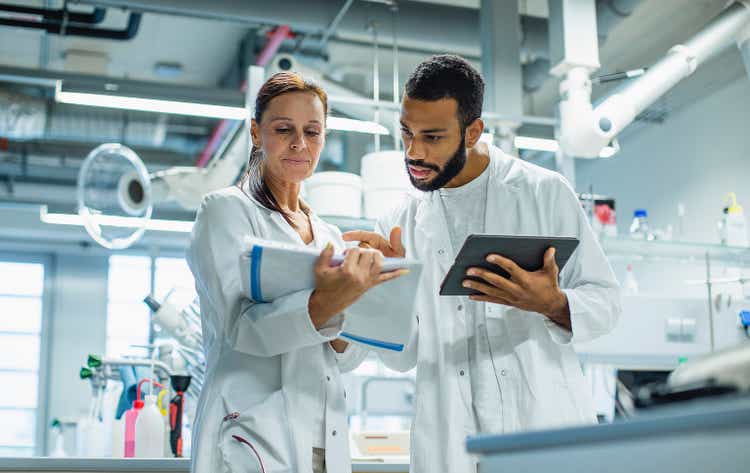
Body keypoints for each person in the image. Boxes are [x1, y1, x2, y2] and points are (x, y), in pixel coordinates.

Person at [342, 55, 622, 473]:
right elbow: (402, 358)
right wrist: (390, 295)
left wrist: (552, 303)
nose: (414, 152)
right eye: (406, 133)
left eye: (433, 137)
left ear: (473, 132)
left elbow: (606, 303)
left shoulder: (543, 193)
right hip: (449, 443)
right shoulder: (397, 224)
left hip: (542, 430)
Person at [187, 72, 405, 473]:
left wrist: (379, 288)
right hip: (253, 432)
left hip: (323, 439)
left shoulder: (328, 234)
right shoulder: (225, 212)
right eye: (283, 129)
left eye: (313, 132)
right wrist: (326, 301)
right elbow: (242, 329)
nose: (299, 144)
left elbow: (344, 357)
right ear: (256, 132)